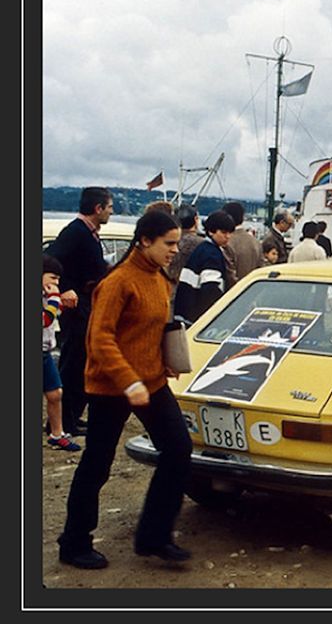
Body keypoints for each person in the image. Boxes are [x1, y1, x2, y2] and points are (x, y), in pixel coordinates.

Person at [58, 210, 193, 570]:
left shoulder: (160, 278)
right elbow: (99, 340)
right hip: (111, 386)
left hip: (151, 381)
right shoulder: (117, 282)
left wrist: (166, 361)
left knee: (179, 449)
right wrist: (128, 380)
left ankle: (155, 536)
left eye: (177, 243)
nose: (175, 251)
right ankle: (74, 543)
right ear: (144, 241)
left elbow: (151, 329)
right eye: (169, 243)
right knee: (97, 464)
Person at [44, 186, 114, 436]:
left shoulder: (89, 233)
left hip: (87, 303)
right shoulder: (76, 232)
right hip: (76, 308)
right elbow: (48, 261)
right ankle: (63, 422)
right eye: (109, 207)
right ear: (98, 209)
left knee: (81, 362)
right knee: (74, 363)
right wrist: (63, 288)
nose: (112, 212)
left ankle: (72, 415)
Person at [43, 254, 81, 452]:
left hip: (45, 352)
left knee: (55, 392)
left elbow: (54, 316)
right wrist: (55, 298)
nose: (56, 283)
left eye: (58, 279)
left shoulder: (47, 297)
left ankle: (57, 434)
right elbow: (45, 319)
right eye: (52, 278)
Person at [174, 210, 235, 325]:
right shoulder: (212, 254)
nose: (228, 236)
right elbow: (211, 289)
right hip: (198, 315)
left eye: (230, 233)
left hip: (184, 310)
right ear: (211, 231)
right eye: (224, 232)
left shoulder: (202, 248)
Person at [220, 202, 264, 286]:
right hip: (252, 290)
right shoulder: (255, 242)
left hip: (232, 292)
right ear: (242, 218)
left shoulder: (226, 242)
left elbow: (229, 276)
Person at [166, 205, 203, 292]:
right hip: (189, 294)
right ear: (195, 220)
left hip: (167, 290)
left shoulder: (167, 240)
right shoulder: (202, 244)